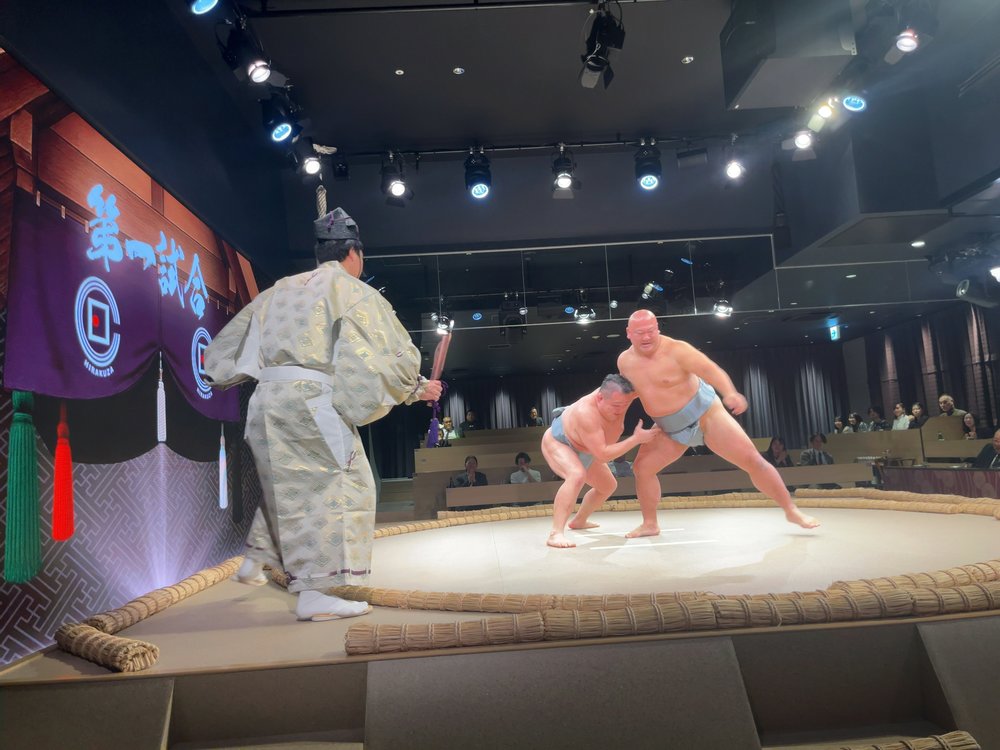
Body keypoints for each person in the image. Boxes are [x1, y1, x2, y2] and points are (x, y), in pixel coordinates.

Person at [204, 207, 442, 622]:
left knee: (290, 488)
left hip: (264, 401)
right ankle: (317, 593)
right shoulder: (351, 291)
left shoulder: (278, 289)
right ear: (354, 253)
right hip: (308, 402)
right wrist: (416, 388)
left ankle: (258, 558)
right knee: (346, 487)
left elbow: (225, 353)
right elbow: (377, 356)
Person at [618, 310, 819, 536]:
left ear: (657, 329)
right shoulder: (624, 362)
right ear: (628, 334)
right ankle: (650, 523)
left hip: (705, 414)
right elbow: (632, 393)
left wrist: (730, 393)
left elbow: (710, 369)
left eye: (650, 331)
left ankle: (791, 509)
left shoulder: (677, 349)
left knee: (754, 461)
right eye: (640, 333)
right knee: (642, 468)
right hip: (668, 427)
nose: (646, 337)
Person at [540, 374, 660, 548]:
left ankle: (579, 521)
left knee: (608, 486)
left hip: (588, 448)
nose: (621, 410)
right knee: (576, 475)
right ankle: (555, 533)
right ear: (599, 398)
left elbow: (650, 382)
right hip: (559, 442)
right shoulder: (586, 414)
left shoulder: (622, 395)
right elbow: (603, 455)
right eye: (616, 406)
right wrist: (635, 439)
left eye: (626, 404)